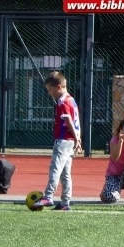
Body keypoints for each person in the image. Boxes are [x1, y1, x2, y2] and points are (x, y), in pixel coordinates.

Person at [32, 71, 81, 211]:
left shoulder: (62, 101)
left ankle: (48, 196)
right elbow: (77, 120)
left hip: (63, 140)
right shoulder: (72, 100)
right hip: (71, 141)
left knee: (55, 168)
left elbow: (69, 120)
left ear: (59, 87)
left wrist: (76, 137)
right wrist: (78, 138)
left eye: (50, 89)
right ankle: (65, 202)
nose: (50, 93)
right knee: (66, 173)